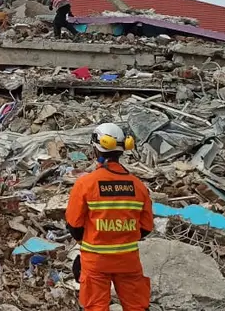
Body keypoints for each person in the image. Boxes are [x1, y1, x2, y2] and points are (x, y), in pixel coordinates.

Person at [65, 123, 153, 311]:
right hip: (128, 260)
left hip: (95, 261)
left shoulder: (85, 184)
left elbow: (74, 226)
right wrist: (122, 237)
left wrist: (95, 239)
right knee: (137, 306)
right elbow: (146, 227)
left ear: (95, 148)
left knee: (96, 307)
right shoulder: (138, 186)